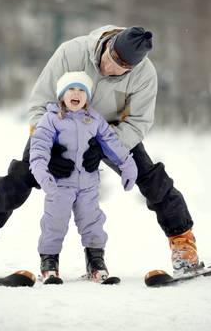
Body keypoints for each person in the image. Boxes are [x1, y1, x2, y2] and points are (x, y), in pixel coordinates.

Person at [0, 25, 203, 276]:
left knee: (150, 176)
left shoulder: (145, 75)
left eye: (122, 68)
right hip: (59, 126)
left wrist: (103, 145)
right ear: (108, 44)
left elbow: (138, 123)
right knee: (20, 177)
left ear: (133, 67)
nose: (110, 68)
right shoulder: (72, 53)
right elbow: (38, 103)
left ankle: (183, 243)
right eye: (110, 59)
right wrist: (50, 146)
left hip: (109, 133)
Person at [30, 71, 137, 283]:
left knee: (93, 222)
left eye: (81, 90)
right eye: (71, 89)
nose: (76, 94)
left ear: (87, 97)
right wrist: (41, 171)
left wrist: (127, 164)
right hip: (59, 184)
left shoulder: (94, 118)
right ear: (61, 95)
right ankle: (49, 263)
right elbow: (39, 147)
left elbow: (111, 142)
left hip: (87, 183)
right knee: (55, 222)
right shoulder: (51, 119)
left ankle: (95, 262)